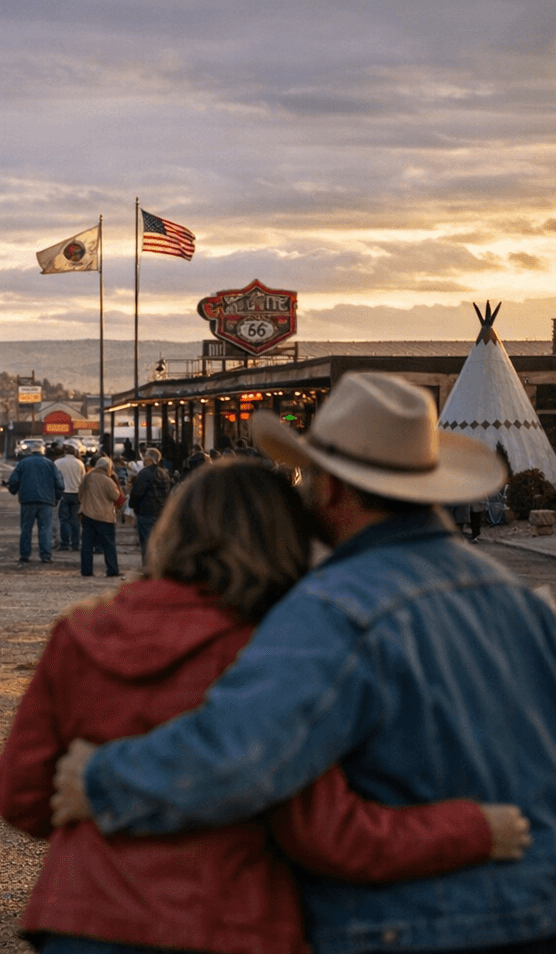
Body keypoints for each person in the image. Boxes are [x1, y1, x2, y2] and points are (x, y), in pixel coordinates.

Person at [51, 372, 556, 954]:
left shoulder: (336, 606)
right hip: (535, 902)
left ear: (334, 490)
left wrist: (103, 778)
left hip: (407, 921)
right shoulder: (518, 603)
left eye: (310, 476)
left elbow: (243, 754)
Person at [7, 445, 66, 564]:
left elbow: (13, 481)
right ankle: (45, 555)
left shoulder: (23, 463)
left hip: (27, 501)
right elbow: (59, 484)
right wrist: (57, 498)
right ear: (42, 452)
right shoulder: (50, 464)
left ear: (31, 452)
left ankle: (25, 555)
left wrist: (13, 490)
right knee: (45, 529)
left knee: (26, 529)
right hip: (46, 502)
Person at [77, 456, 122, 577]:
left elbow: (80, 494)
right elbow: (116, 497)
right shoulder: (107, 480)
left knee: (87, 545)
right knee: (109, 545)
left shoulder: (87, 477)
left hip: (87, 514)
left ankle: (86, 571)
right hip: (104, 517)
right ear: (108, 467)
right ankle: (112, 570)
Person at [127, 446, 172, 560]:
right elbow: (167, 493)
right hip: (160, 512)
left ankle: (148, 569)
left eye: (145, 456)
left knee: (147, 543)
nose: (143, 459)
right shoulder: (163, 473)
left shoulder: (144, 473)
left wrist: (132, 504)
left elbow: (137, 493)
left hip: (145, 512)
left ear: (149, 459)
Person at [53, 444, 85, 552]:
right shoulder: (80, 463)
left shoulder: (58, 462)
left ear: (64, 452)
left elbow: (54, 479)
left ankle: (65, 544)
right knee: (75, 520)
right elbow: (83, 479)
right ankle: (75, 544)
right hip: (76, 494)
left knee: (64, 520)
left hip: (63, 494)